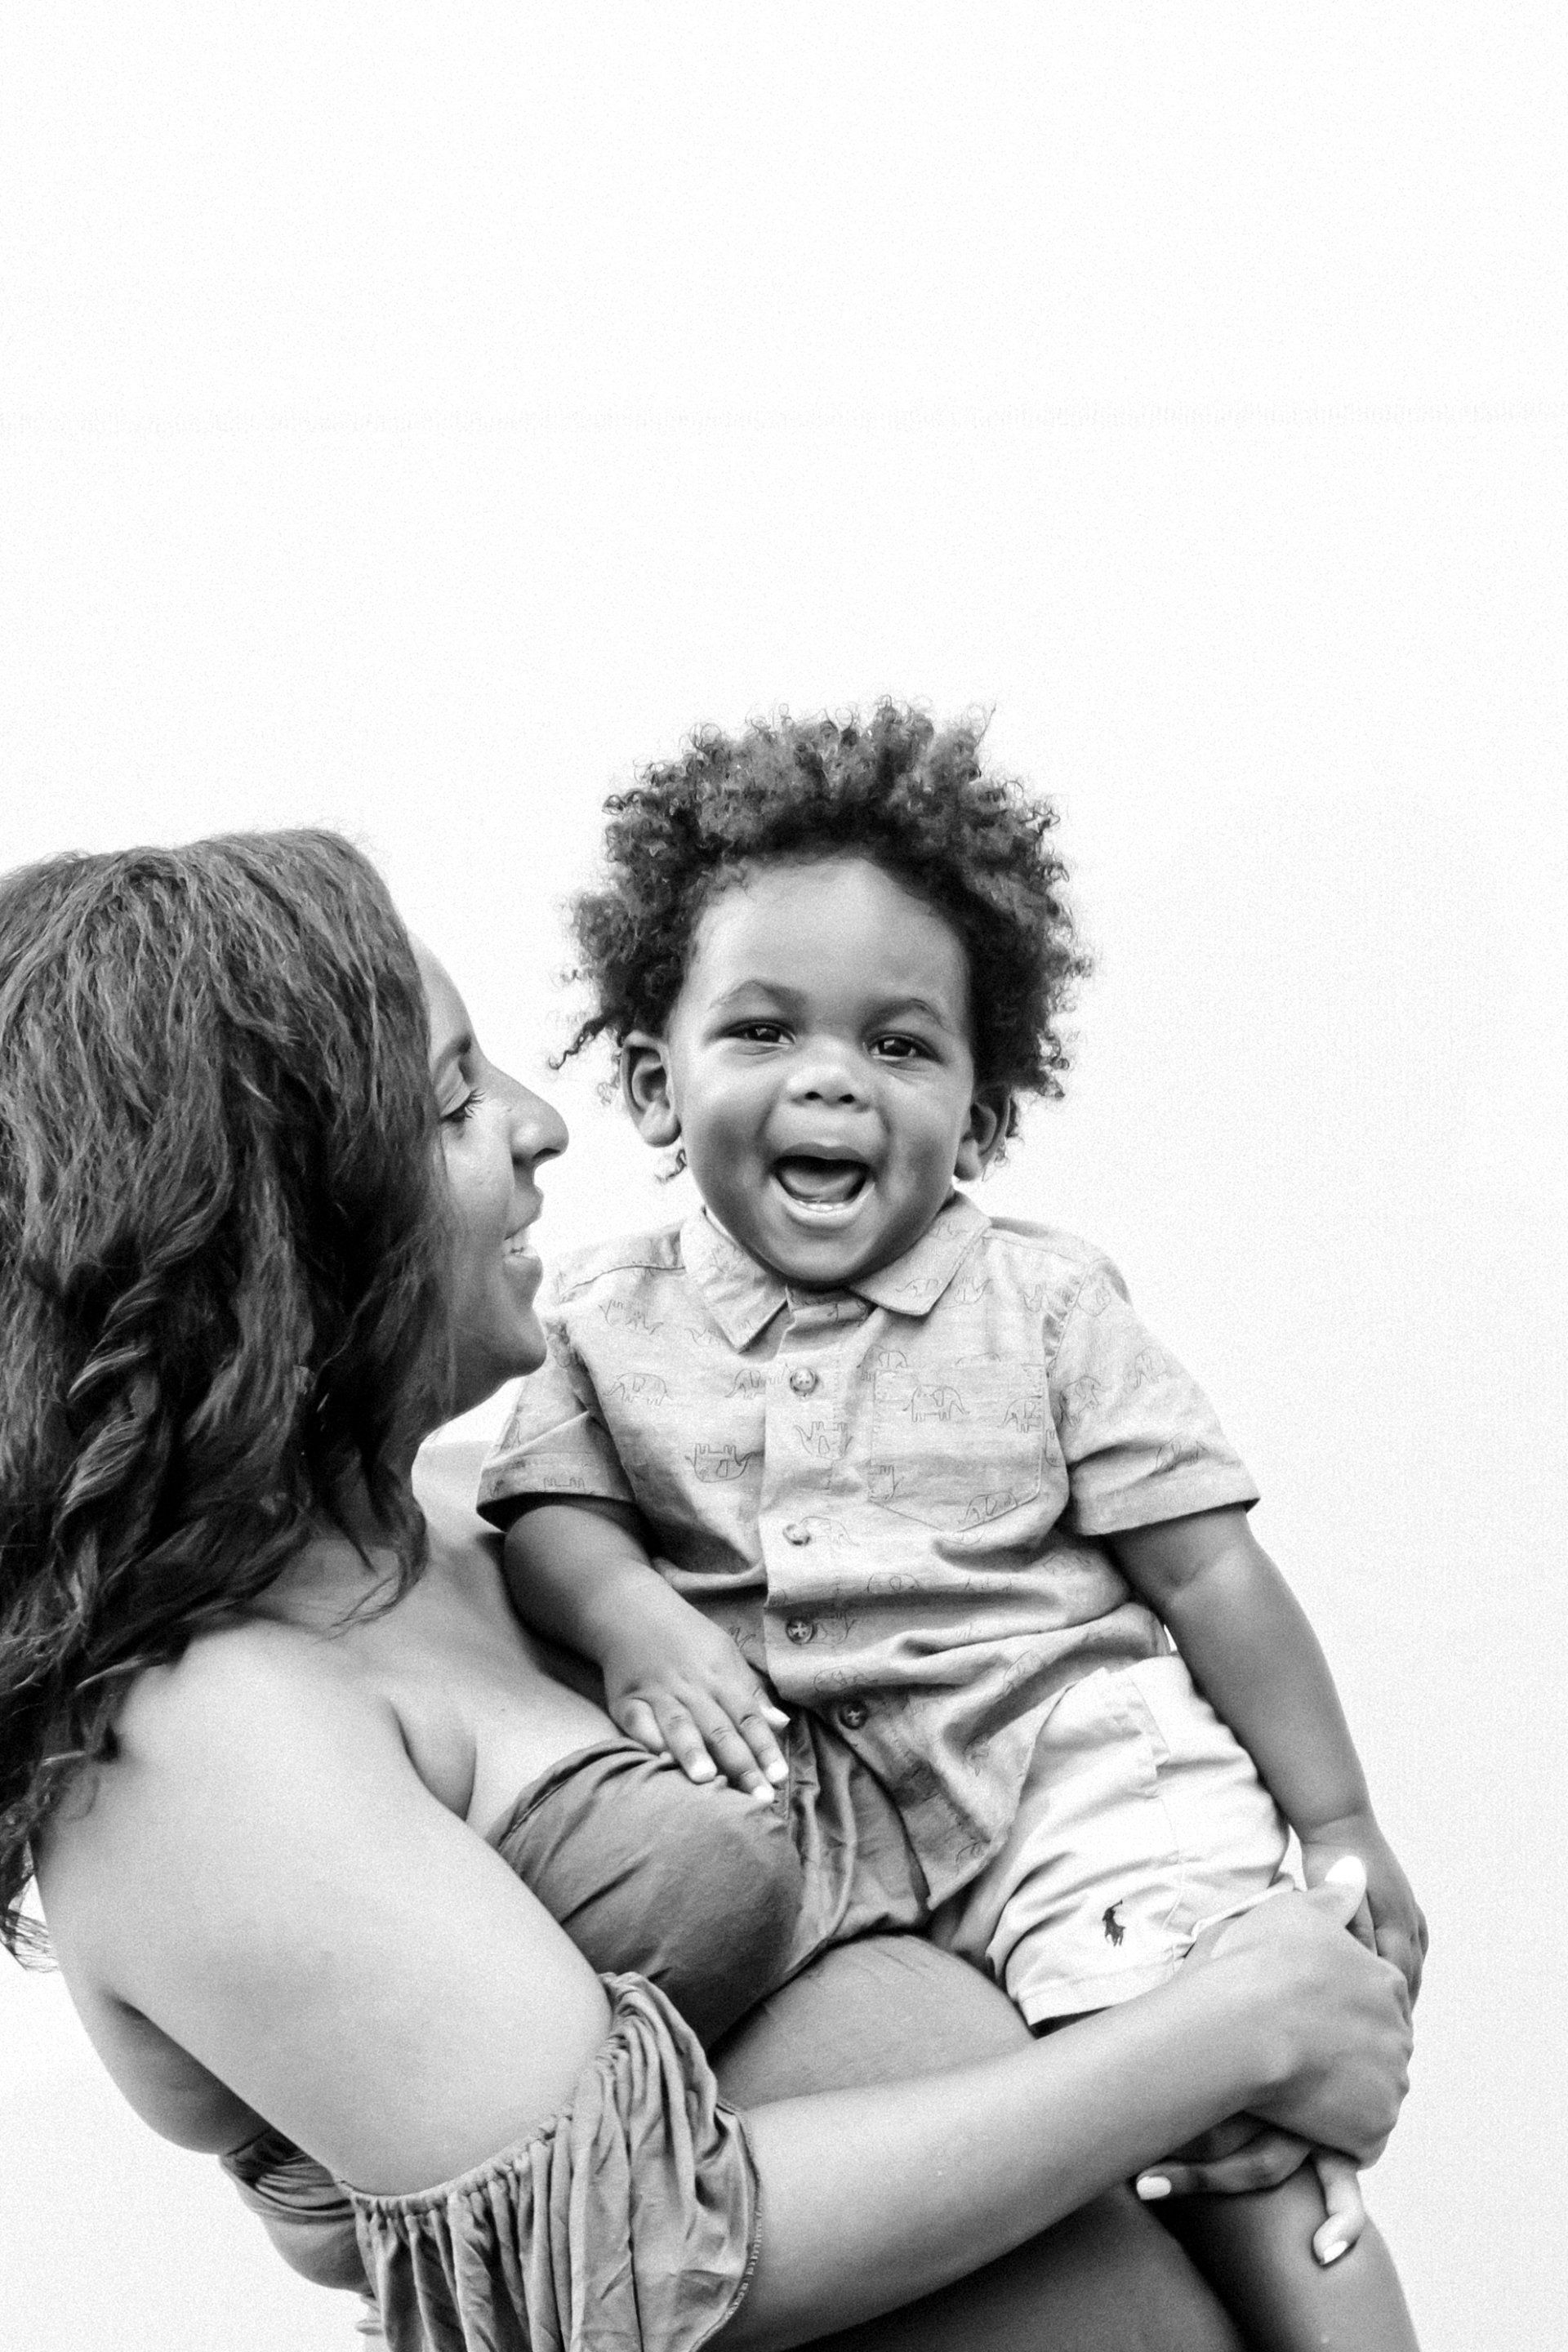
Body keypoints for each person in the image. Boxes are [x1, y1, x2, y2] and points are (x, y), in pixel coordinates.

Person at [0, 831, 1414, 2352]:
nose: (544, 1128)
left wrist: (1236, 1933)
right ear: (279, 1209)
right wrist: (1233, 2032)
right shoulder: (191, 1740)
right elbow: (637, 2258)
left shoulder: (519, 1518)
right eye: (456, 1099)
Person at [479, 708, 1425, 2348]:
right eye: (765, 1031)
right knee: (1012, 2163)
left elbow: (1208, 1568)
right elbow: (553, 1513)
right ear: (652, 1078)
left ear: (982, 1116)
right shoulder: (606, 1318)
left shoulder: (1043, 1306)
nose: (833, 1076)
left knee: (1236, 2135)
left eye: (902, 1046)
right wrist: (635, 1613)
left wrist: (1337, 1819)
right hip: (841, 1826)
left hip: (1070, 1764)